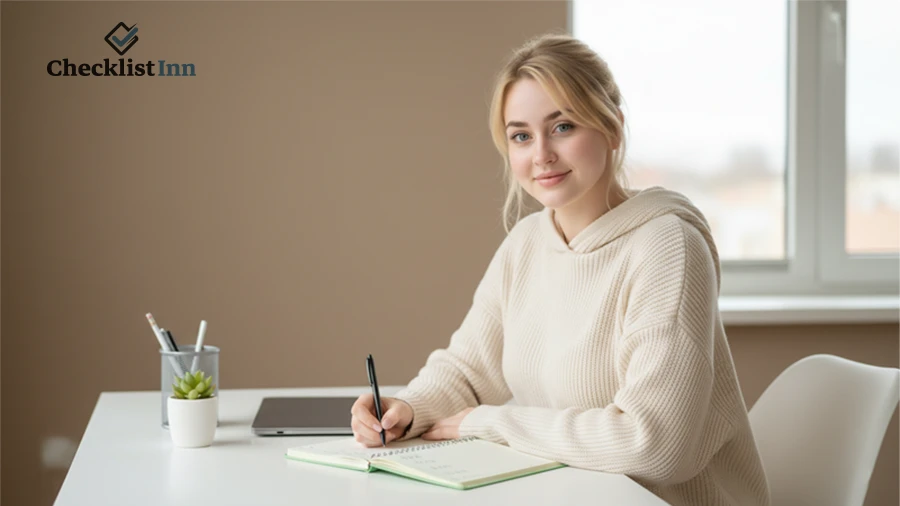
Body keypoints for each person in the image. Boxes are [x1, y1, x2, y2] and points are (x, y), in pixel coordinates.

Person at [350, 32, 771, 506]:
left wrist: (488, 422)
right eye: (521, 136)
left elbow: (655, 444)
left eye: (563, 126)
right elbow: (469, 368)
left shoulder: (667, 246)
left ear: (612, 127)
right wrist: (408, 408)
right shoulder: (527, 243)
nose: (541, 155)